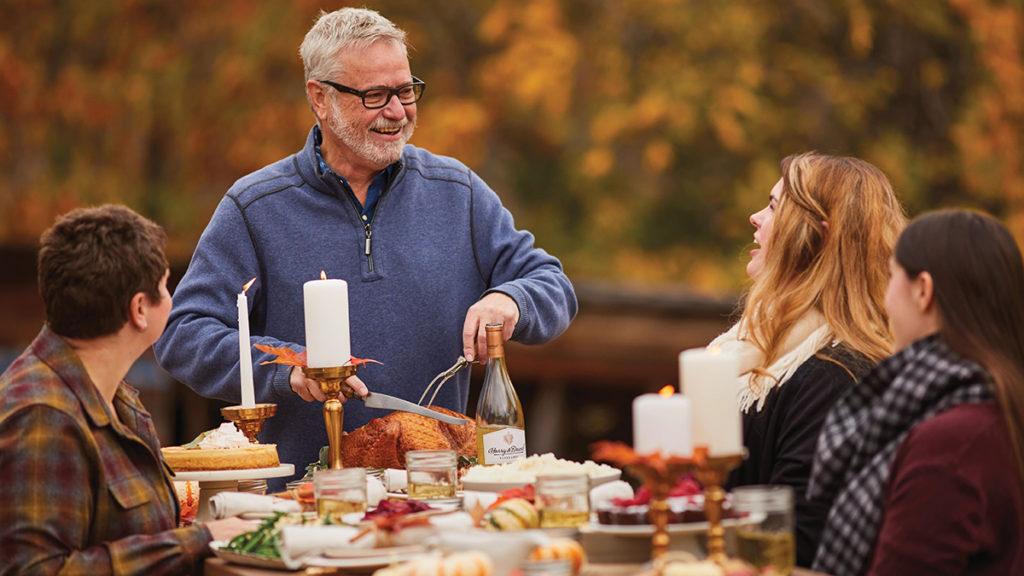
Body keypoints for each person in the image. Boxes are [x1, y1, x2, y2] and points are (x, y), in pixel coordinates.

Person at [154, 7, 577, 486]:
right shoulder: (255, 207)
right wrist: (287, 368)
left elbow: (553, 286)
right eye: (374, 95)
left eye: (404, 90)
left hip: (438, 495)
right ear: (320, 98)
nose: (396, 111)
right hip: (301, 500)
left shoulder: (458, 192)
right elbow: (182, 332)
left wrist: (511, 299)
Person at [0, 205, 252, 574]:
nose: (171, 300)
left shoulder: (116, 397)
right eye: (166, 287)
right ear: (139, 309)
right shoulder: (43, 416)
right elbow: (37, 569)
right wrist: (201, 539)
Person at [713, 152, 906, 567]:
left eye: (772, 206)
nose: (754, 217)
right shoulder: (761, 347)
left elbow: (799, 540)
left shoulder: (836, 376)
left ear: (813, 237)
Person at [810, 210, 1024, 576]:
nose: (886, 298)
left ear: (923, 290)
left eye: (892, 276)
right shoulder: (997, 402)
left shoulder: (952, 441)